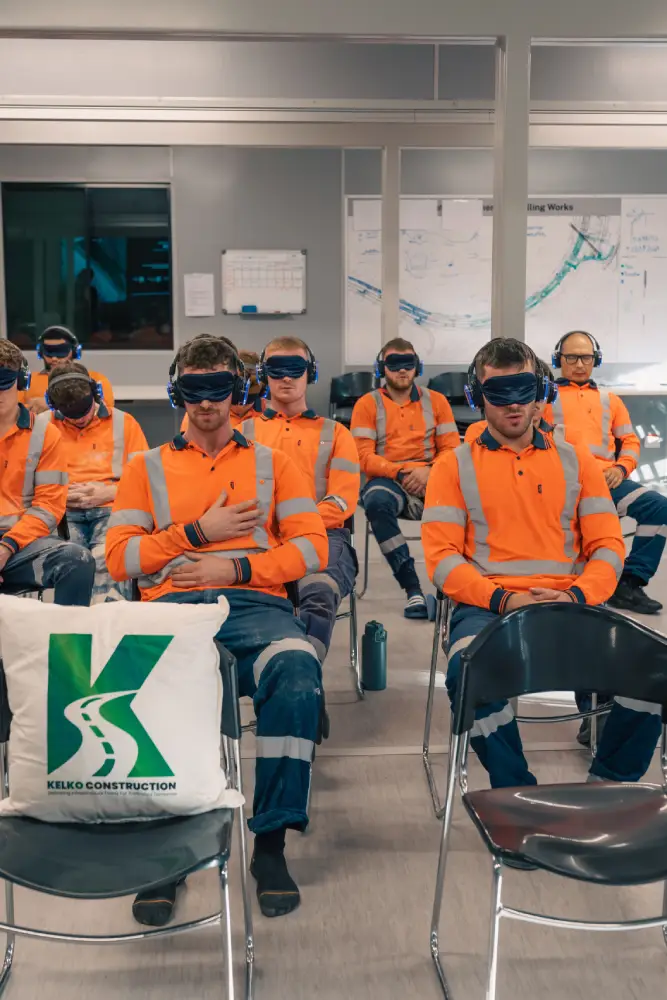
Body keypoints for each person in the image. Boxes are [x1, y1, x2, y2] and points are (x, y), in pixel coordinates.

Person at [106, 335, 328, 925]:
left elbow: (312, 548)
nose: (206, 403)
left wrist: (236, 569)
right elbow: (120, 560)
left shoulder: (275, 464)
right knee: (143, 690)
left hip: (255, 606)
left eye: (218, 388)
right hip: (174, 612)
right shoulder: (145, 467)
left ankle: (271, 843)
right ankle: (168, 854)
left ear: (239, 389)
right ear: (176, 391)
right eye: (193, 389)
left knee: (297, 671)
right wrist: (197, 534)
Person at [422, 337, 662, 789]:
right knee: (467, 670)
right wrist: (503, 599)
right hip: (488, 607)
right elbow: (442, 560)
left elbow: (608, 548)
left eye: (525, 390)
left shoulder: (580, 463)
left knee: (655, 667)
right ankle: (516, 792)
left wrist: (576, 595)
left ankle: (607, 787)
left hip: (572, 603)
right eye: (499, 393)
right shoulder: (452, 467)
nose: (514, 405)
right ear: (476, 397)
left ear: (542, 393)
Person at [240, 336, 360, 662]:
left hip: (322, 536)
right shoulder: (243, 434)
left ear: (311, 373)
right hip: (258, 536)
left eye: (295, 368)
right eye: (277, 369)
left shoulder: (337, 434)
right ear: (263, 374)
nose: (286, 377)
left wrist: (296, 526)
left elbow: (341, 501)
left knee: (319, 591)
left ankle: (304, 673)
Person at [549, 330, 667, 615]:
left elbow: (630, 442)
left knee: (659, 508)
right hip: (560, 483)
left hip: (607, 484)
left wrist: (621, 468)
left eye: (586, 357)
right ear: (558, 359)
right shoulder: (545, 398)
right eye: (571, 357)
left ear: (596, 360)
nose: (580, 364)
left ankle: (629, 582)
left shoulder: (610, 400)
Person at [350, 338, 459, 618]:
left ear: (417, 367)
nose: (402, 370)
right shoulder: (367, 404)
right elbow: (362, 456)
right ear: (381, 368)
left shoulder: (437, 402)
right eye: (394, 364)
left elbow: (451, 450)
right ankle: (412, 589)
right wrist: (398, 472)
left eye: (408, 364)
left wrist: (430, 471)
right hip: (388, 480)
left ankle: (457, 586)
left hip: (432, 475)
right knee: (376, 501)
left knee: (470, 501)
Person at [38, 362, 148, 602]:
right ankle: (69, 621)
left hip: (111, 506)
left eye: (85, 410)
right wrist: (60, 494)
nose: (80, 419)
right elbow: (26, 485)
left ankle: (107, 620)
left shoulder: (125, 423)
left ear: (95, 393)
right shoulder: (41, 426)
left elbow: (145, 483)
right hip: (62, 511)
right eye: (71, 415)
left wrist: (107, 493)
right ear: (53, 404)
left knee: (106, 558)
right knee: (68, 560)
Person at [0, 340, 95, 605]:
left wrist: (7, 546)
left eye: (3, 383)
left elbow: (49, 506)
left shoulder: (44, 434)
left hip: (21, 545)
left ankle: (68, 634)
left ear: (21, 381)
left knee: (77, 561)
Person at [464, 357, 562, 444]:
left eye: (538, 392)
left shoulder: (562, 436)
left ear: (550, 394)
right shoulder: (477, 432)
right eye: (523, 391)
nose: (532, 400)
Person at [20, 325, 114, 414]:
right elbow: (16, 412)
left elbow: (106, 411)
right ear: (40, 352)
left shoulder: (94, 378)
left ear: (75, 351)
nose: (54, 358)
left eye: (61, 351)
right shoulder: (28, 380)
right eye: (49, 351)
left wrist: (50, 404)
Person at [180, 344, 266, 433]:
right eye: (239, 387)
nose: (244, 395)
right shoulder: (200, 415)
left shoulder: (266, 417)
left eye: (253, 386)